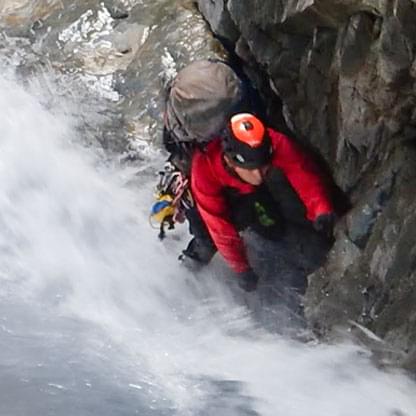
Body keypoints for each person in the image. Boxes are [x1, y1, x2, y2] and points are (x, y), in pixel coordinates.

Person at [181, 113, 336, 292]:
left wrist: (321, 209)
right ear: (230, 161)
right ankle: (189, 270)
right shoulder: (204, 168)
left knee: (273, 228)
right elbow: (219, 227)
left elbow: (301, 172)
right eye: (250, 169)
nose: (258, 175)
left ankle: (257, 237)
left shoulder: (273, 143)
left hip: (245, 191)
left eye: (263, 166)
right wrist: (241, 269)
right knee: (207, 241)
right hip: (203, 202)